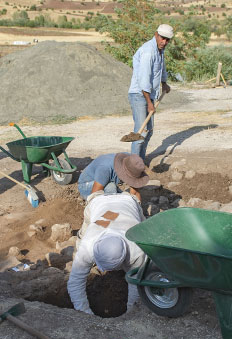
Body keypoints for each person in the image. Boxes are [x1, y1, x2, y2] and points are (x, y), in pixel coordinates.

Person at [67, 191, 146, 315]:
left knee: (146, 230)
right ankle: (78, 264)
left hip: (129, 202)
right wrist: (85, 313)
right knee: (81, 238)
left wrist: (131, 313)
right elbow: (75, 282)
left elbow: (137, 284)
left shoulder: (137, 249)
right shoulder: (88, 245)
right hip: (98, 203)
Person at [128, 24, 173, 161]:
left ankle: (140, 161)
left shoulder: (160, 50)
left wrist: (164, 83)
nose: (164, 42)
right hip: (139, 95)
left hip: (149, 95)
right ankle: (134, 166)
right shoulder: (148, 51)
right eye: (162, 38)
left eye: (167, 40)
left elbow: (161, 68)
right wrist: (149, 103)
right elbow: (144, 80)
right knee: (140, 133)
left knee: (149, 131)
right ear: (156, 35)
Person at [77, 152, 149, 201]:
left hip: (104, 181)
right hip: (86, 186)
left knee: (123, 199)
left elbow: (135, 192)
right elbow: (94, 196)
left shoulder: (131, 162)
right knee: (111, 189)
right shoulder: (105, 168)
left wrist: (138, 211)